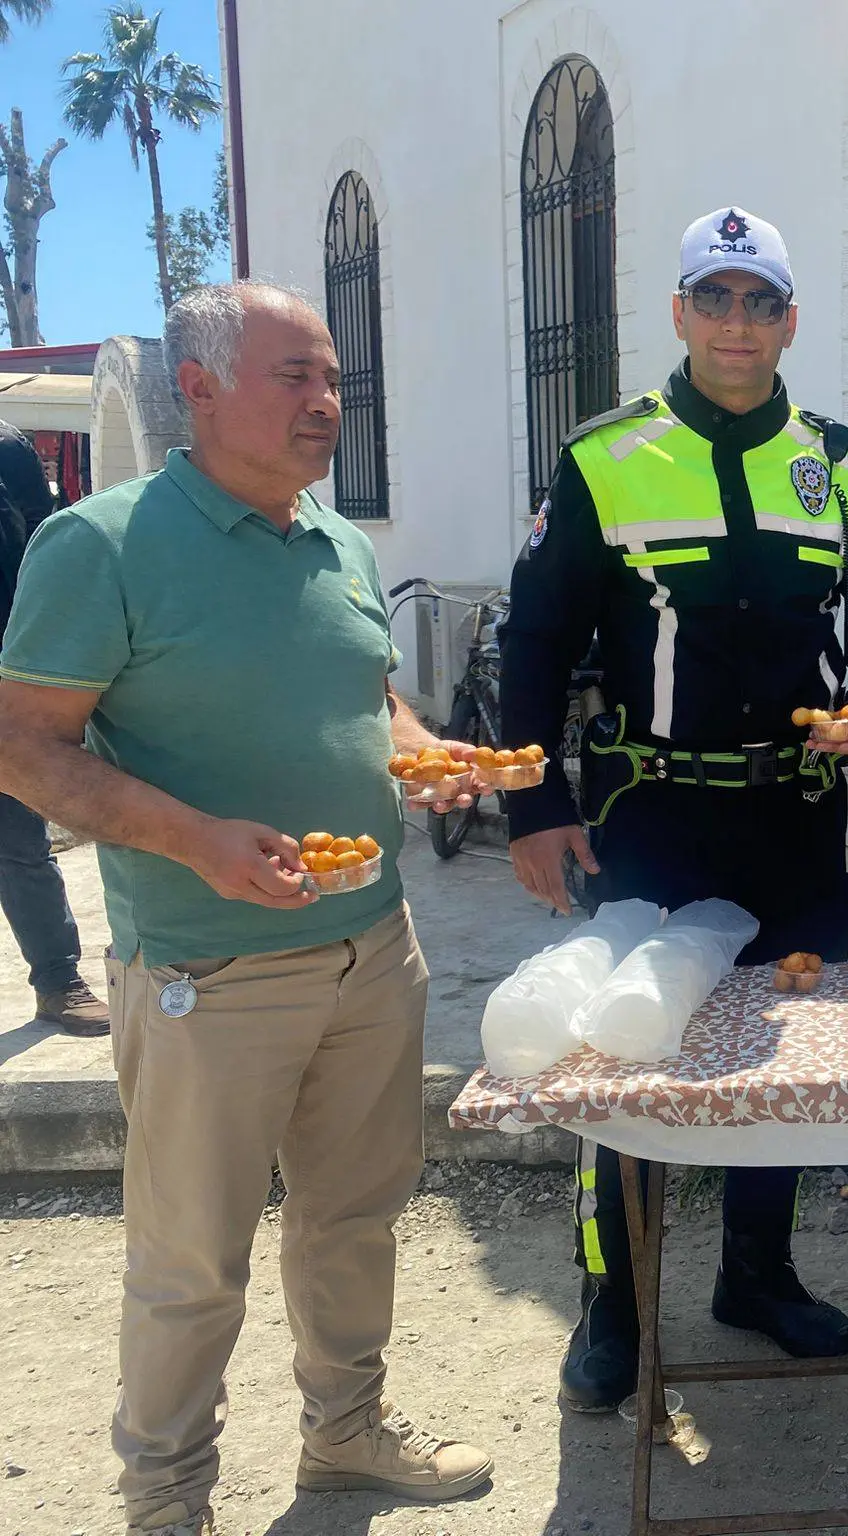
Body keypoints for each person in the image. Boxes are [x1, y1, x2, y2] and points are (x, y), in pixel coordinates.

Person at [0, 283, 491, 1536]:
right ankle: (168, 1500)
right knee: (190, 1259)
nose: (327, 400)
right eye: (294, 376)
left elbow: (371, 701)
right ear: (201, 389)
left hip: (372, 951)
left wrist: (424, 755)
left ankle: (346, 1435)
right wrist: (196, 841)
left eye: (330, 377)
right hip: (207, 974)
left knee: (355, 1219)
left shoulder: (339, 540)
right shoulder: (102, 544)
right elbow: (24, 748)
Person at [499, 206, 848, 1412]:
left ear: (789, 322)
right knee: (622, 1058)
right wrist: (533, 804)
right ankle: (611, 1300)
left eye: (760, 301)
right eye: (716, 298)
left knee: (779, 1056)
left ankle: (756, 1274)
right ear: (680, 314)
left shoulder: (842, 469)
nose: (738, 322)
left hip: (795, 818)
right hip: (651, 816)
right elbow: (535, 643)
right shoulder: (605, 458)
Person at [0, 420, 108, 1034]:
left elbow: (40, 558)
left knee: (18, 842)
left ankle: (57, 978)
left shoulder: (6, 449)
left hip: (6, 676)